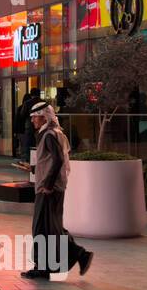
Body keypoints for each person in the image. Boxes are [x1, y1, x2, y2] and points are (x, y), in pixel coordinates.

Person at [21, 102, 94, 279]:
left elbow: (58, 160)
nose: (32, 120)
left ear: (44, 117)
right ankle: (73, 256)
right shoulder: (54, 133)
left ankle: (48, 265)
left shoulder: (48, 135)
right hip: (54, 188)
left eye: (35, 117)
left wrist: (47, 184)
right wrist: (33, 169)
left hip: (48, 190)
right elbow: (51, 161)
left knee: (41, 227)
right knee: (51, 228)